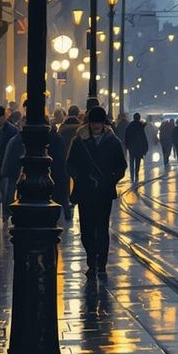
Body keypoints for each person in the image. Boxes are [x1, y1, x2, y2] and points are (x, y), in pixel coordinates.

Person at [67, 105, 127, 281]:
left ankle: (100, 265)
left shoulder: (113, 141)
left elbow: (121, 165)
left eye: (99, 122)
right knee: (86, 229)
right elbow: (70, 163)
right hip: (85, 190)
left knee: (102, 228)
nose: (96, 126)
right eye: (94, 122)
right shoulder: (79, 141)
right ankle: (91, 260)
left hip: (104, 191)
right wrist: (79, 177)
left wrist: (112, 179)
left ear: (103, 123)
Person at [124, 113, 149, 185]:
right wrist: (145, 147)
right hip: (138, 147)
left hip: (132, 147)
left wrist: (127, 145)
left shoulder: (129, 126)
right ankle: (136, 175)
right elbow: (143, 137)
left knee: (131, 161)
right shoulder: (140, 126)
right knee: (137, 162)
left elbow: (126, 136)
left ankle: (132, 176)